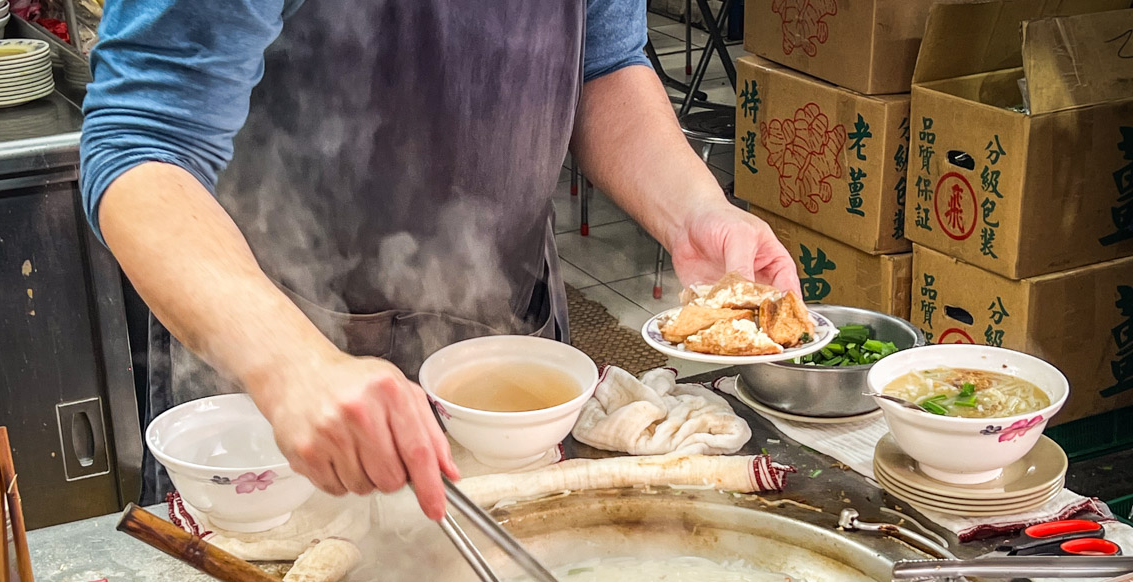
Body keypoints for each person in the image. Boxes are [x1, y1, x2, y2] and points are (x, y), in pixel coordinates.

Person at [81, 0, 801, 522]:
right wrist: (290, 365)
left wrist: (694, 210)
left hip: (505, 339)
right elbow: (141, 144)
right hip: (274, 375)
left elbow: (605, 65)